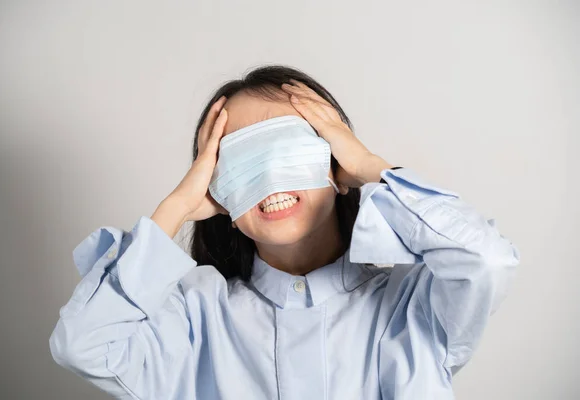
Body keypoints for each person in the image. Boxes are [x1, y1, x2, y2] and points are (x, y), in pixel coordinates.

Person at [49, 65, 520, 399]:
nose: (270, 177)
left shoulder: (413, 308)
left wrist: (372, 168)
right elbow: (83, 345)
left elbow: (486, 262)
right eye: (234, 162)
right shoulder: (194, 317)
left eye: (288, 149)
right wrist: (174, 209)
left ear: (336, 164)